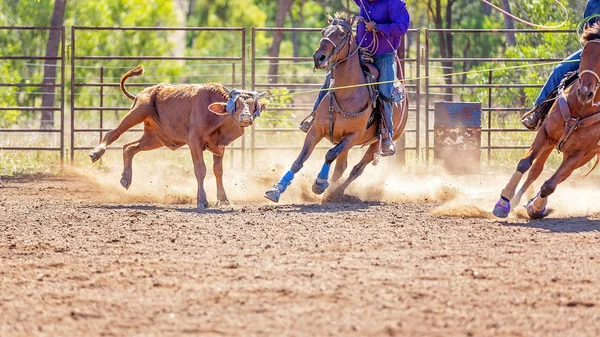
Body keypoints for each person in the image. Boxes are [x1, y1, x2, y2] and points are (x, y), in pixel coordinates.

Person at [299, 0, 410, 156]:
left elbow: (402, 27)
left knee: (385, 91)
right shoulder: (363, 1)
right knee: (330, 79)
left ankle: (386, 134)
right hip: (359, 50)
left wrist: (378, 27)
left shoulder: (395, 3)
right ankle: (315, 116)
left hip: (383, 55)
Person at [521, 0, 600, 130]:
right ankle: (539, 111)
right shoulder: (592, 3)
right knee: (560, 70)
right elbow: (586, 27)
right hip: (591, 50)